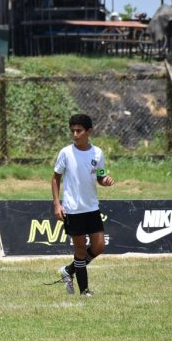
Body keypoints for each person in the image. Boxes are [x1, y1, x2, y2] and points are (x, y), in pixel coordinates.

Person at [51, 114, 115, 297]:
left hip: (92, 207)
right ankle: (84, 290)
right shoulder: (66, 153)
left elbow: (100, 175)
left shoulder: (98, 153)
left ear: (89, 131)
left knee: (99, 246)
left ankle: (68, 270)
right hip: (73, 209)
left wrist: (106, 180)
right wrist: (57, 204)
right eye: (72, 131)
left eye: (79, 131)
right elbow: (55, 178)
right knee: (80, 249)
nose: (75, 134)